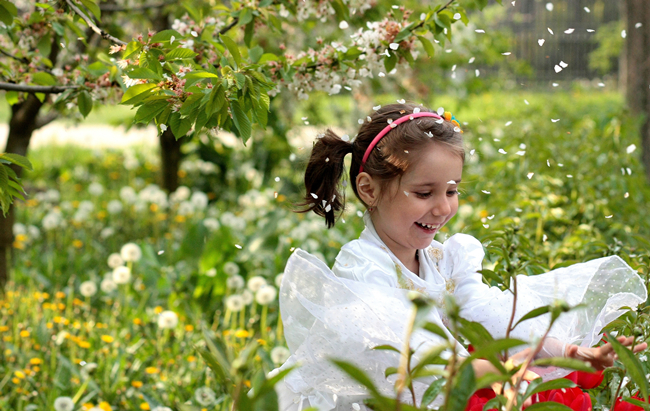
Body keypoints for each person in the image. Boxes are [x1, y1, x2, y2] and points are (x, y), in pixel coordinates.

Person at [274, 103, 647, 410]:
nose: (442, 208)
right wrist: (502, 371)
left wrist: (567, 351)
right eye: (424, 193)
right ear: (369, 190)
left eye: (451, 191)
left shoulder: (442, 258)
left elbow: (490, 316)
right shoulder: (363, 268)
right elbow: (419, 354)